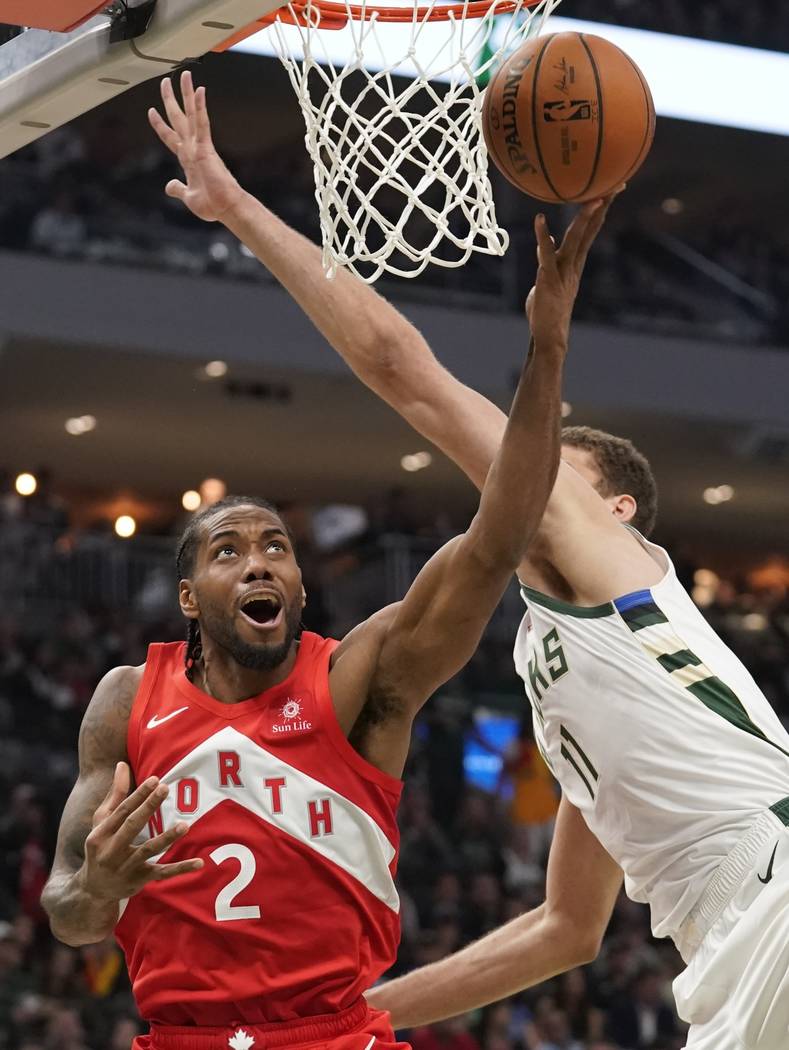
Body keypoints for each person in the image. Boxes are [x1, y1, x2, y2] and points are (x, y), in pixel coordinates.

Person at [151, 83, 789, 1050]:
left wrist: (236, 206)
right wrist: (337, 1017)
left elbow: (405, 373)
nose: (516, 464)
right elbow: (563, 931)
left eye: (548, 459)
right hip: (727, 942)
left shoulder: (603, 557)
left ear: (612, 509)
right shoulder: (564, 680)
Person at [40, 72, 608, 1050]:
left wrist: (545, 357)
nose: (260, 562)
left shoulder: (358, 682)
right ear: (190, 595)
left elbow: (495, 544)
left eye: (277, 549)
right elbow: (68, 914)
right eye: (231, 550)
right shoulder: (125, 701)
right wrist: (99, 884)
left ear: (301, 586)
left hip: (334, 1035)